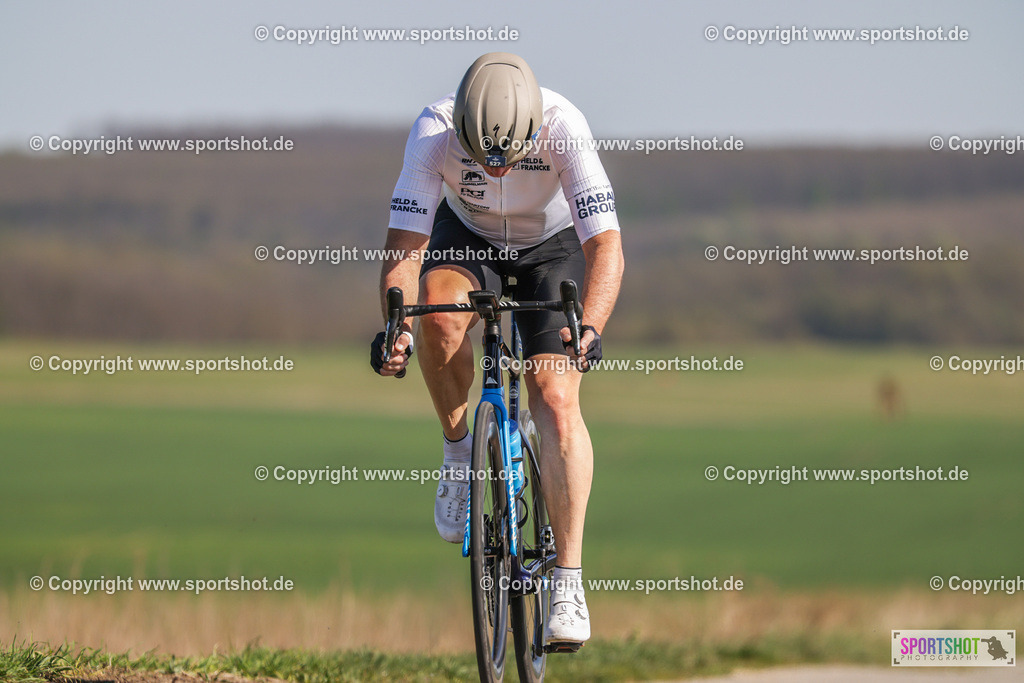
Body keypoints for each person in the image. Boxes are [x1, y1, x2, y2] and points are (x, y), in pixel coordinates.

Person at [370, 52, 624, 648]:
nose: (499, 173)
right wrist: (395, 326)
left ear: (533, 131)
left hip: (550, 248)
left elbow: (607, 248)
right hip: (469, 238)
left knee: (556, 397)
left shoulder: (566, 126)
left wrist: (590, 327)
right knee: (436, 313)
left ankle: (568, 580)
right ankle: (460, 453)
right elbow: (405, 247)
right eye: (483, 159)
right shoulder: (432, 132)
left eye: (508, 160)